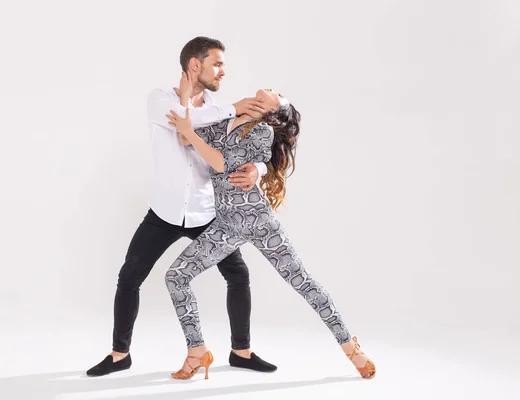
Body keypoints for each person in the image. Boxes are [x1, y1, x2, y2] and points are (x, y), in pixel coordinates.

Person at [86, 36, 277, 377]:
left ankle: (241, 352)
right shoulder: (159, 99)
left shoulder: (220, 110)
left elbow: (250, 145)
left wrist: (259, 170)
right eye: (216, 63)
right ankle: (119, 355)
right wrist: (233, 106)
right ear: (194, 65)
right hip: (163, 213)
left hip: (208, 213)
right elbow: (182, 125)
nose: (223, 71)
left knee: (238, 274)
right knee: (129, 276)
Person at [164, 82, 377, 380]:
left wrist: (189, 133)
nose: (271, 87)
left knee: (303, 282)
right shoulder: (224, 121)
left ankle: (350, 346)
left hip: (260, 222)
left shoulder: (262, 132)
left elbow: (223, 163)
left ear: (273, 111)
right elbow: (185, 137)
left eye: (277, 92)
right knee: (176, 276)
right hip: (227, 224)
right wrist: (186, 100)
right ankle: (197, 350)